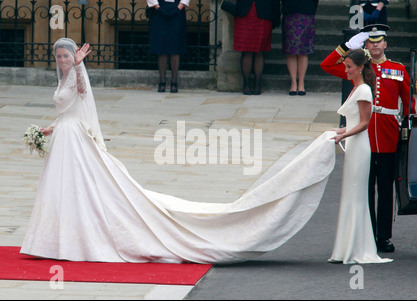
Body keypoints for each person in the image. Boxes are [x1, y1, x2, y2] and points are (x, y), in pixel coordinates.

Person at [21, 38, 341, 264]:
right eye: (60, 58)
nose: (63, 61)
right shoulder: (63, 77)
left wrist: (78, 68)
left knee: (85, 188)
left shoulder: (76, 75)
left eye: (66, 56)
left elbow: (75, 95)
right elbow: (68, 108)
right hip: (65, 134)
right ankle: (56, 237)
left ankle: (76, 238)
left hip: (76, 142)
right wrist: (51, 127)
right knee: (65, 190)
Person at [321, 24, 415, 253]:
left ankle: (383, 236)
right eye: (370, 41)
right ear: (365, 44)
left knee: (385, 189)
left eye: (378, 41)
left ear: (385, 44)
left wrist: (407, 127)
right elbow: (327, 65)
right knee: (364, 189)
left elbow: (409, 102)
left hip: (387, 135)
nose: (374, 45)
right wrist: (345, 47)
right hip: (363, 136)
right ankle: (367, 234)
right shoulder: (358, 68)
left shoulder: (398, 69)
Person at [327, 49, 391, 264]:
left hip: (360, 146)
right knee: (350, 194)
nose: (345, 70)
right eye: (345, 66)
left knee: (357, 195)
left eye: (349, 67)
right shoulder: (356, 89)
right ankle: (347, 247)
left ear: (361, 67)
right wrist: (338, 132)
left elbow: (364, 124)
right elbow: (354, 122)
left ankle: (357, 247)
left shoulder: (363, 90)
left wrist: (342, 135)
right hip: (354, 145)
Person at [233, 0, 281, 95]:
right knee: (247, 50)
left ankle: (257, 84)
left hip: (264, 15)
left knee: (260, 51)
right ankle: (246, 84)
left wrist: (276, 18)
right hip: (245, 13)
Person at [147, 0, 189, 93]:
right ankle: (162, 81)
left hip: (177, 10)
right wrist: (157, 7)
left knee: (175, 46)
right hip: (159, 10)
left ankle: (174, 81)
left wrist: (179, 8)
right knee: (161, 46)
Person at [281, 0, 319, 96]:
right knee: (291, 50)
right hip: (290, 12)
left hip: (306, 12)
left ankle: (301, 83)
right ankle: (293, 82)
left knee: (303, 50)